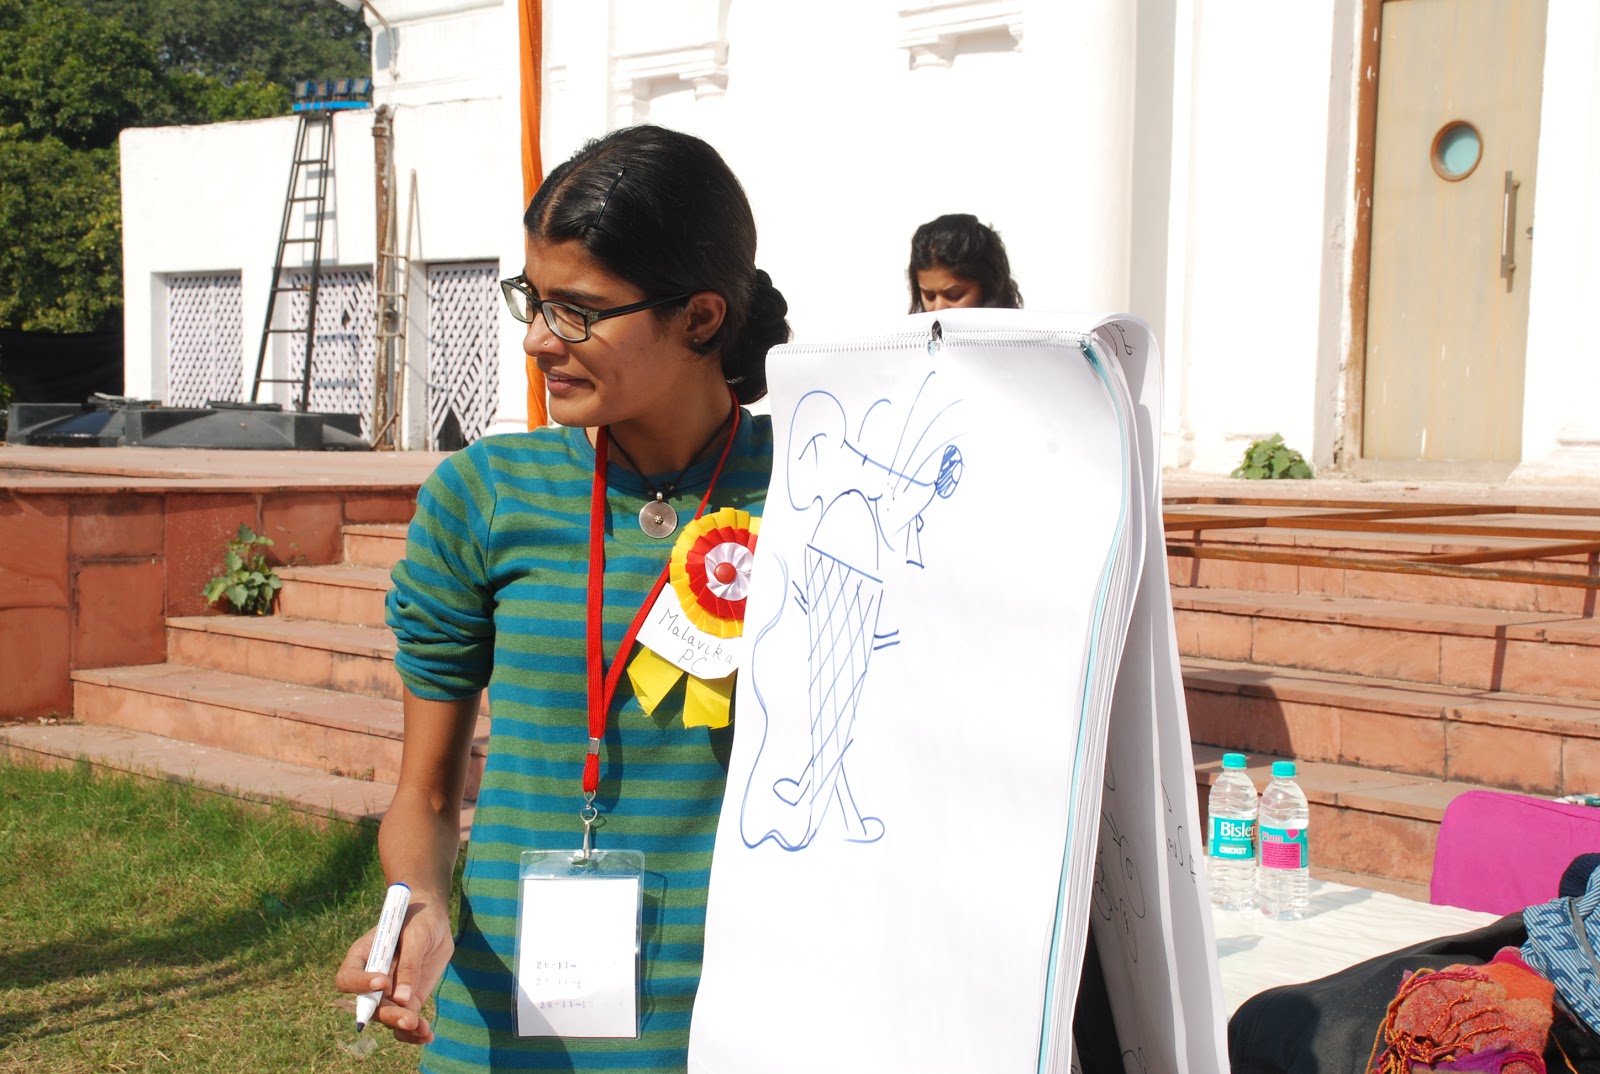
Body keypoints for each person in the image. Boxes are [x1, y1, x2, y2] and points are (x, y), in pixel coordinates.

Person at [335, 124, 789, 1073]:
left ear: (701, 318)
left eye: (579, 311)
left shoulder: (814, 493)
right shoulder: (483, 495)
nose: (541, 339)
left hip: (734, 1032)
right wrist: (415, 905)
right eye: (534, 303)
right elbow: (422, 795)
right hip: (498, 1031)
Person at [906, 212, 1023, 312]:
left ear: (988, 287)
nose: (938, 308)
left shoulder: (1025, 337)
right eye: (929, 296)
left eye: (954, 295)